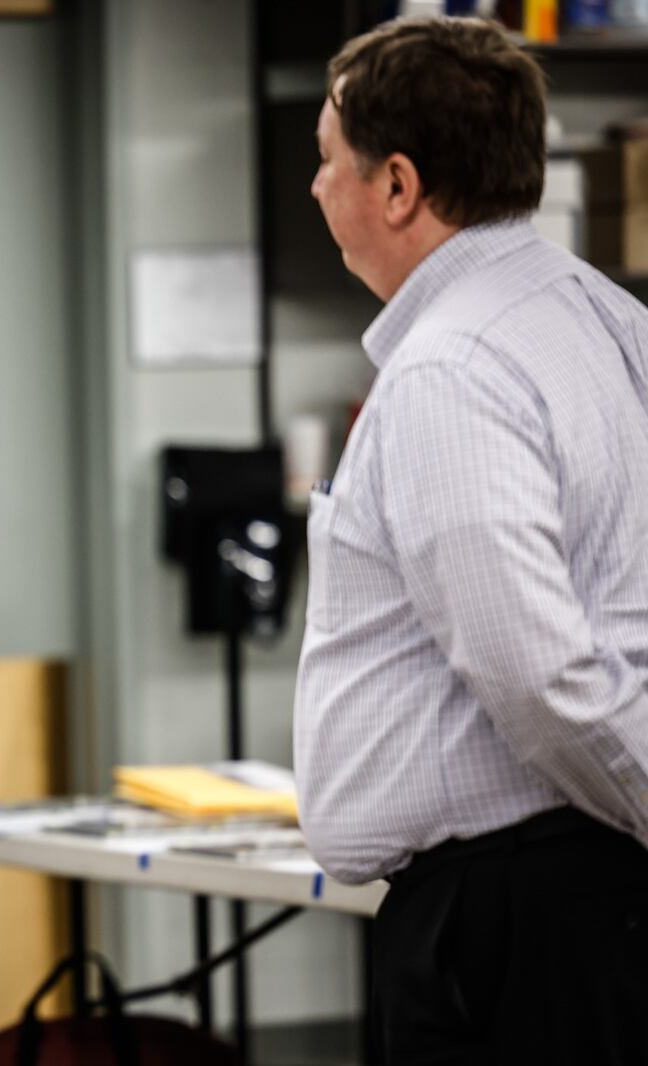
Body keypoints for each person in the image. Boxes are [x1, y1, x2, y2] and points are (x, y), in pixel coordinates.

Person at [294, 16, 648, 1064]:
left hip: (516, 921)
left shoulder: (449, 369)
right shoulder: (606, 318)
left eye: (326, 162)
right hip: (575, 899)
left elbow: (531, 665)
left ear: (396, 185)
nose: (316, 190)